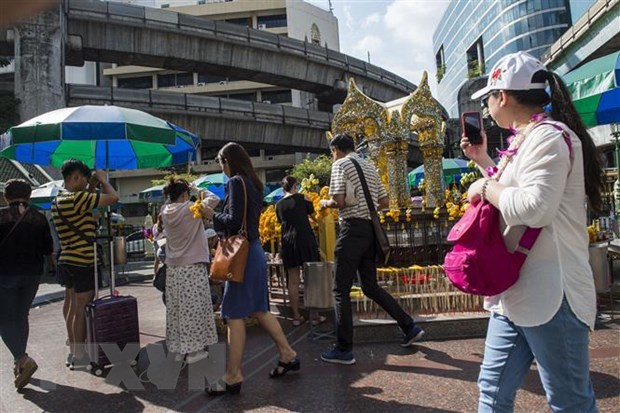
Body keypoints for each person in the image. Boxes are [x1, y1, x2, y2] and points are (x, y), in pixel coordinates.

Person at [462, 51, 602, 412]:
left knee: (570, 403)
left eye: (489, 98)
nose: (489, 106)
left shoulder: (549, 137)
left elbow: (534, 209)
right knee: (491, 390)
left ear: (502, 97)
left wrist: (484, 189)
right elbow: (514, 192)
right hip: (516, 291)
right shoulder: (525, 139)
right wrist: (484, 163)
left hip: (552, 294)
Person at [201, 142, 300, 396]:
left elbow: (233, 221)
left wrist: (210, 214)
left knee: (233, 313)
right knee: (258, 309)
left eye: (222, 162)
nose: (221, 167)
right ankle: (287, 353)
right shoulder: (254, 183)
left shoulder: (235, 182)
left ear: (229, 161)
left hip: (240, 255)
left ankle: (233, 375)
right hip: (253, 251)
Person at [318, 134, 424, 365]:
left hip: (351, 230)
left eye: (332, 151)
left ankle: (344, 348)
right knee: (370, 286)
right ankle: (409, 326)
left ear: (335, 149)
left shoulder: (340, 164)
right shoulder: (368, 165)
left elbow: (339, 201)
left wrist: (325, 203)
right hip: (370, 232)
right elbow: (384, 202)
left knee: (340, 290)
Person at [52, 159, 119, 369]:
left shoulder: (59, 199)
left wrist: (91, 185)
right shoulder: (78, 198)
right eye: (84, 179)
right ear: (76, 177)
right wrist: (103, 180)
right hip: (82, 260)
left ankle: (74, 352)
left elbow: (85, 208)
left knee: (72, 307)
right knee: (81, 309)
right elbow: (113, 197)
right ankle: (80, 355)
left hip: (67, 259)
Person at [0, 179, 53, 390]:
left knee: (4, 320)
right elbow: (47, 248)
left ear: (7, 196)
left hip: (4, 275)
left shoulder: (1, 216)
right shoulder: (39, 218)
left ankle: (22, 358)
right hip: (32, 275)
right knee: (21, 316)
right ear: (29, 196)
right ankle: (19, 365)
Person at [161, 178, 219, 364]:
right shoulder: (191, 208)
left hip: (173, 268)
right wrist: (197, 188)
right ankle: (194, 352)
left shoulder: (165, 211)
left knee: (177, 309)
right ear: (185, 194)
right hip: (192, 266)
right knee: (194, 308)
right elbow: (214, 198)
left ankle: (179, 350)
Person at [275, 175, 324, 326]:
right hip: (306, 240)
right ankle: (314, 316)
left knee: (293, 280)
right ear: (295, 185)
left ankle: (296, 316)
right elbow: (315, 218)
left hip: (288, 242)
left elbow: (281, 222)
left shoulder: (278, 205)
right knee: (311, 278)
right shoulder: (305, 198)